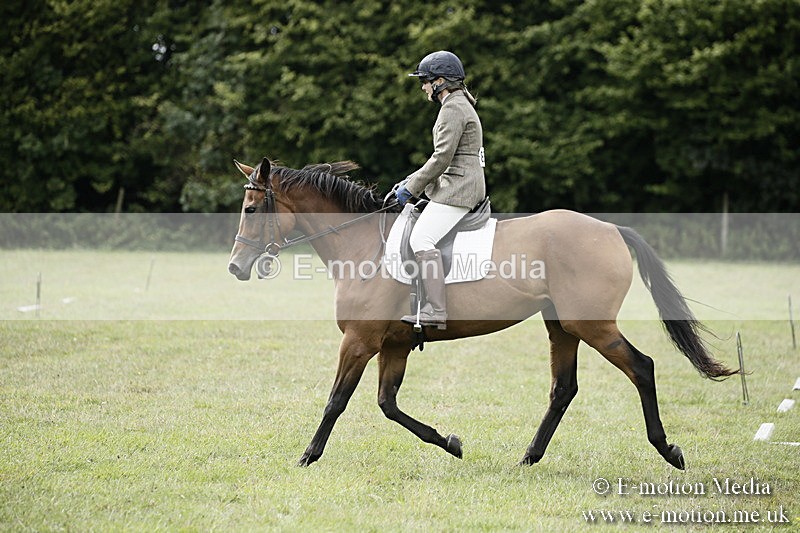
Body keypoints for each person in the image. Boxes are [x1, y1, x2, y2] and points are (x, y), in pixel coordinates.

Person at [396, 50, 486, 330]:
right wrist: (410, 180)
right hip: (457, 183)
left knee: (421, 238)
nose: (423, 87)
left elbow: (442, 157)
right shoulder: (459, 104)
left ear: (440, 82)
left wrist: (411, 187)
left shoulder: (452, 108)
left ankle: (436, 310)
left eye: (425, 81)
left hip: (460, 188)